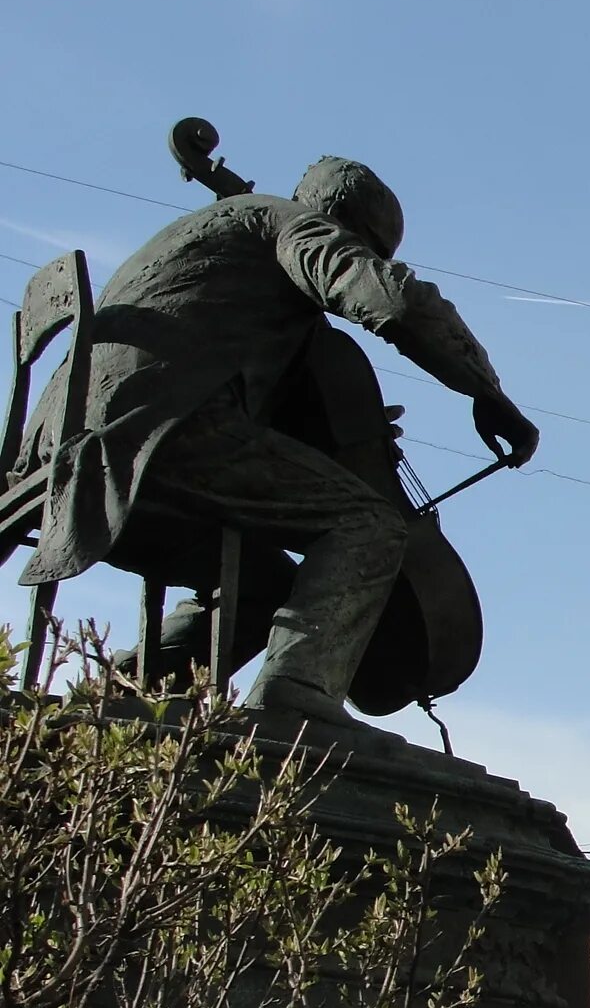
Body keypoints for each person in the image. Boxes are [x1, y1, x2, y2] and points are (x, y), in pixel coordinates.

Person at [10, 156, 540, 733]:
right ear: (342, 223)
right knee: (368, 524)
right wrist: (486, 390)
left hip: (66, 444)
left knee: (264, 589)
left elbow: (209, 349)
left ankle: (130, 697)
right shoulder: (286, 224)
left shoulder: (199, 237)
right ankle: (295, 694)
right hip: (160, 432)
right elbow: (392, 301)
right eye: (370, 247)